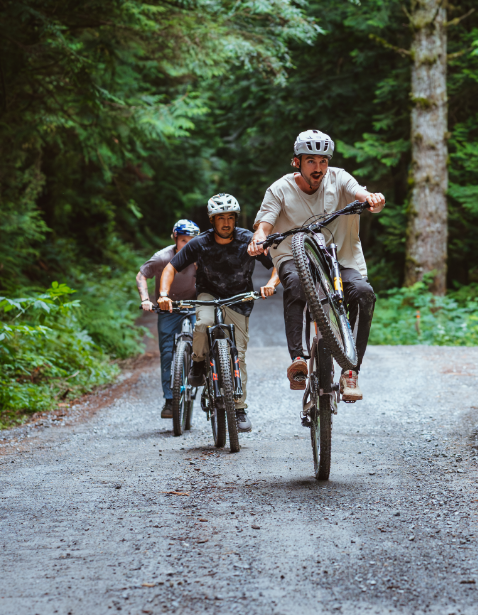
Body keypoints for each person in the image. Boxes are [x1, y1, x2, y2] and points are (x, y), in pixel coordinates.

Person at [247, 130, 385, 402]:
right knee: (296, 285)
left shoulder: (339, 177)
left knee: (364, 294)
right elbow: (264, 224)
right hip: (292, 256)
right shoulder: (280, 189)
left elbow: (360, 194)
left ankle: (350, 370)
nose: (318, 168)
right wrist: (259, 238)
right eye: (311, 161)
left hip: (340, 258)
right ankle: (298, 358)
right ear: (296, 162)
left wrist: (372, 200)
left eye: (323, 161)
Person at [158, 194, 274, 433]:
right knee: (202, 324)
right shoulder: (199, 243)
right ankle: (199, 363)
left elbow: (277, 265)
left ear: (235, 219)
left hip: (238, 298)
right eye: (220, 218)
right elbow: (171, 267)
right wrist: (163, 294)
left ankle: (239, 409)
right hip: (209, 294)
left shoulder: (248, 240)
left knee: (238, 354)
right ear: (212, 220)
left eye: (230, 217)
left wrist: (272, 283)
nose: (226, 223)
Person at [137, 219, 199, 419]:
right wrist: (146, 299)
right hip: (168, 307)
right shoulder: (162, 258)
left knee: (205, 340)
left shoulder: (201, 256)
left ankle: (208, 381)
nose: (187, 245)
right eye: (183, 240)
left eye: (191, 241)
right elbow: (141, 275)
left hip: (196, 305)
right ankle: (170, 400)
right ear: (175, 239)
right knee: (167, 353)